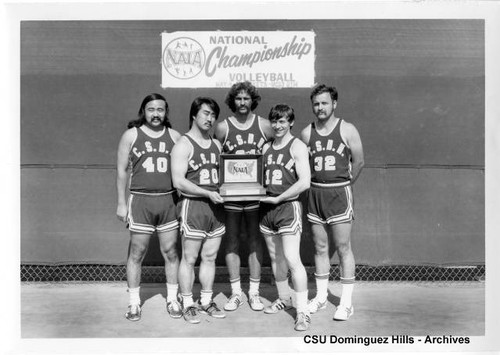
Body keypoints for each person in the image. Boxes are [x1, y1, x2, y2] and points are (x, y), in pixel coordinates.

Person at [300, 84, 364, 321]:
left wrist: (345, 184)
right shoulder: (307, 133)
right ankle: (320, 297)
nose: (320, 108)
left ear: (334, 104)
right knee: (319, 247)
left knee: (343, 247)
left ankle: (346, 303)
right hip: (316, 193)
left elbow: (358, 162)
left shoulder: (347, 129)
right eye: (316, 104)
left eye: (325, 103)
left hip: (338, 193)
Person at [116, 93, 182, 321]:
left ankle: (173, 299)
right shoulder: (131, 135)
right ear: (143, 111)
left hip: (168, 200)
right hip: (141, 200)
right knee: (137, 253)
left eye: (160, 110)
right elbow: (122, 171)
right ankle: (134, 303)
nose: (156, 114)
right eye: (151, 109)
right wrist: (121, 203)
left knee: (171, 252)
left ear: (166, 112)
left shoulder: (175, 136)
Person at [214, 81, 273, 312]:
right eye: (238, 98)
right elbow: (214, 157)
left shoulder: (265, 126)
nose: (242, 103)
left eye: (246, 98)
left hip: (256, 195)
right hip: (231, 195)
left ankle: (254, 292)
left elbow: (281, 147)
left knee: (255, 240)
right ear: (232, 101)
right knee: (232, 241)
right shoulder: (222, 128)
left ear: (253, 100)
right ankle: (236, 292)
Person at [171, 97, 226, 324]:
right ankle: (187, 303)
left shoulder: (216, 144)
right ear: (194, 115)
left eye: (213, 115)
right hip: (194, 205)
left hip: (216, 208)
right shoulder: (184, 144)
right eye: (205, 113)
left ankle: (206, 300)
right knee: (190, 257)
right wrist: (206, 193)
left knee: (210, 257)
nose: (210, 119)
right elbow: (178, 182)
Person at [259, 104, 311, 331]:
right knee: (276, 258)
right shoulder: (266, 147)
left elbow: (304, 182)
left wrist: (279, 198)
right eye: (275, 121)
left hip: (287, 207)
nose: (278, 125)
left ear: (291, 122)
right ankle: (284, 297)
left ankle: (302, 312)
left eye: (283, 121)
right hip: (267, 208)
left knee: (292, 258)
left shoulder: (297, 145)